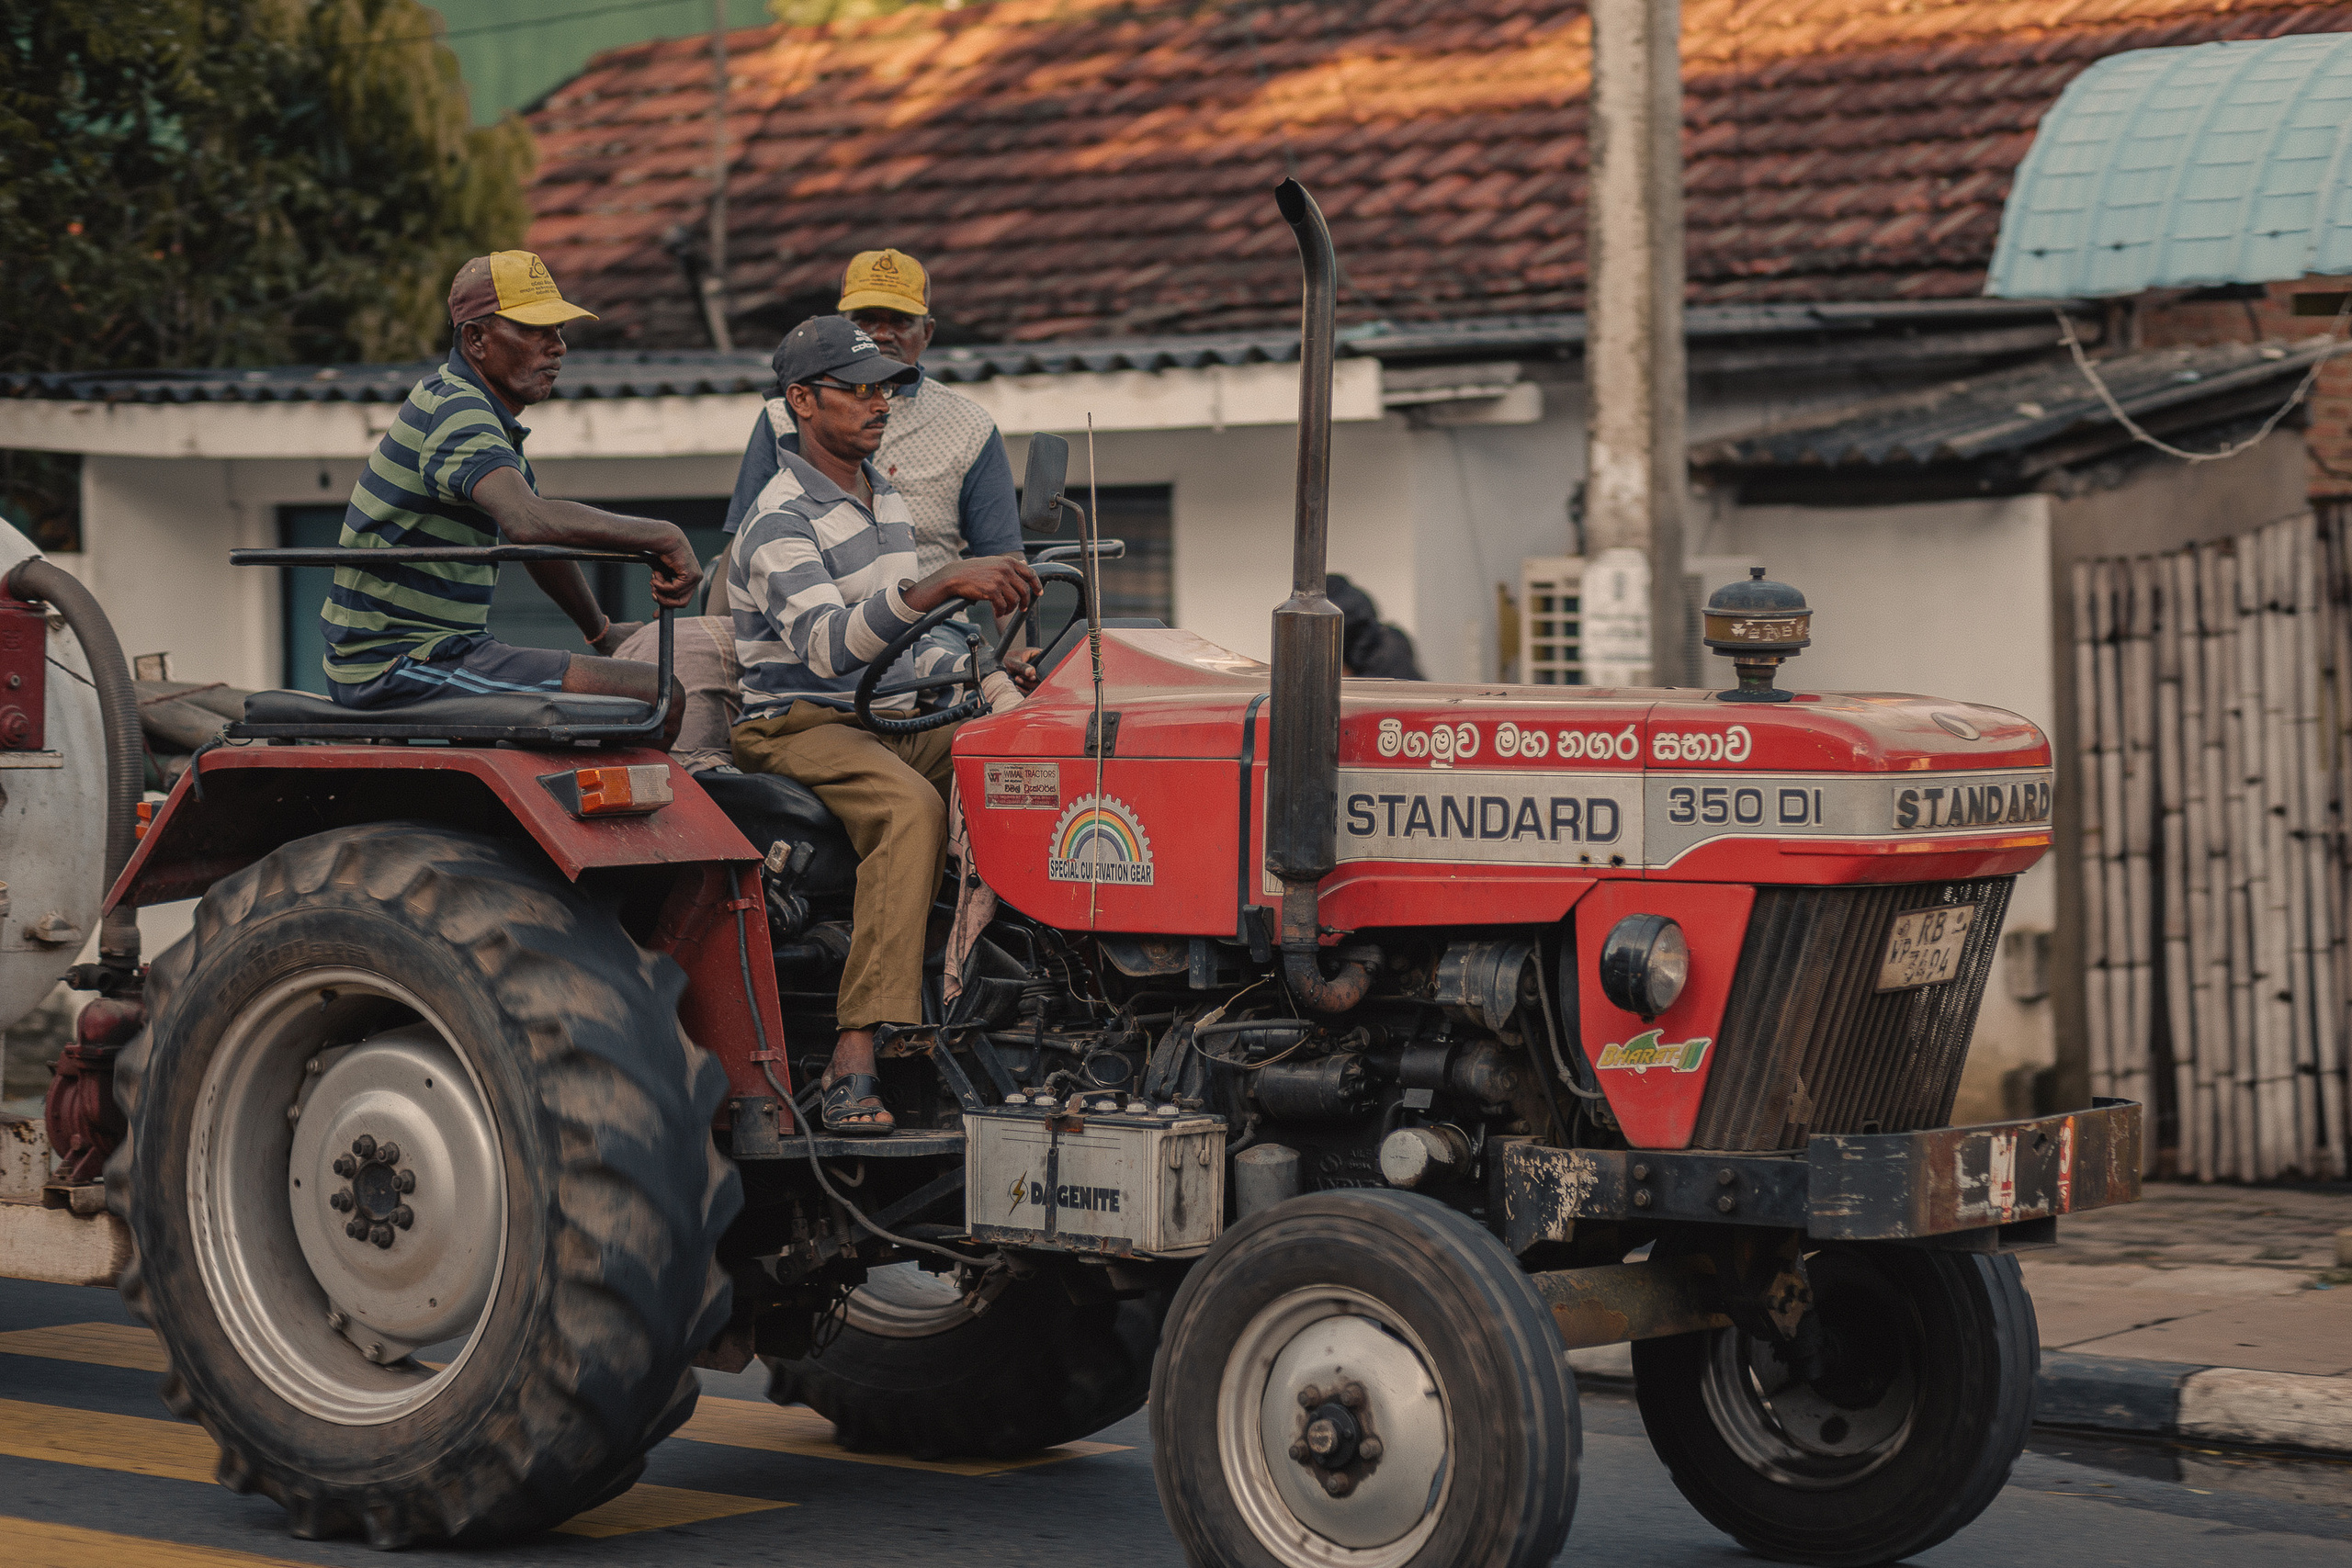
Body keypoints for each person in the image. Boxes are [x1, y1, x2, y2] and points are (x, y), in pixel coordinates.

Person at [729, 316, 1041, 1136]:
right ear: (801, 401)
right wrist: (942, 585)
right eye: (858, 390)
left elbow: (911, 644)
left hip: (888, 714)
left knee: (1031, 760)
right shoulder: (778, 522)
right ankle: (854, 1052)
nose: (880, 405)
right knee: (910, 809)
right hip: (798, 722)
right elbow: (831, 648)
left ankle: (1021, 1009)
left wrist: (989, 675)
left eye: (887, 389)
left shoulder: (886, 497)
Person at [320, 251, 699, 725]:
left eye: (558, 331)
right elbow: (527, 520)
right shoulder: (459, 413)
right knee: (659, 696)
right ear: (476, 339)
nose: (557, 346)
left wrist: (600, 632)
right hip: (401, 664)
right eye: (535, 330)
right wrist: (663, 534)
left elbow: (538, 537)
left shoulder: (479, 416)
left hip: (439, 652)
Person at [723, 248, 1019, 578]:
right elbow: (743, 540)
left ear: (928, 333)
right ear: (842, 326)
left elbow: (1003, 564)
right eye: (866, 319)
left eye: (900, 321)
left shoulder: (969, 426)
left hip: (932, 623)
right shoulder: (785, 413)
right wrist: (711, 627)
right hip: (802, 617)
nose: (881, 333)